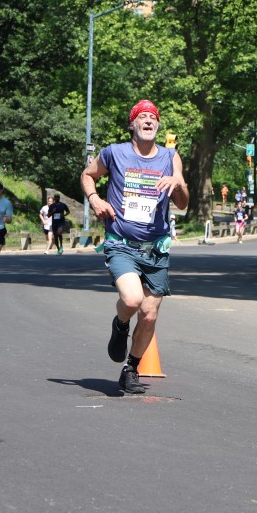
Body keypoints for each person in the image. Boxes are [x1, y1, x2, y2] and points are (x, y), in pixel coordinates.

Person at [80, 99, 189, 395]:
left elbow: (182, 203)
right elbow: (88, 175)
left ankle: (131, 369)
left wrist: (177, 183)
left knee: (150, 314)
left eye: (153, 117)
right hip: (121, 243)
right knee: (131, 300)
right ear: (133, 124)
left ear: (158, 125)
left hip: (155, 249)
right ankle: (120, 324)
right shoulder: (114, 153)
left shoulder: (170, 157)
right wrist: (95, 199)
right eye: (142, 116)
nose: (148, 120)